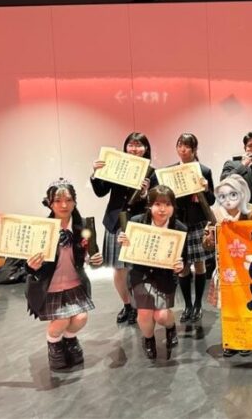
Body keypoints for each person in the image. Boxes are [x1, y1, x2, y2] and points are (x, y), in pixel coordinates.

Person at [25, 179, 103, 370]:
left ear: (74, 202)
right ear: (50, 203)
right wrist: (31, 266)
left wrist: (95, 260)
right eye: (58, 201)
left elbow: (90, 255)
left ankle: (69, 339)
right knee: (61, 320)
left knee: (80, 318)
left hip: (75, 284)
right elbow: (28, 265)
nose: (64, 205)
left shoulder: (83, 226)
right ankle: (54, 344)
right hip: (50, 286)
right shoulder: (42, 228)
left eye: (68, 200)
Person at [118, 185, 187, 360]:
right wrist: (123, 241)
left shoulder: (179, 228)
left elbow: (184, 259)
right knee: (144, 313)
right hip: (140, 275)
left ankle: (170, 327)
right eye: (157, 204)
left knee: (161, 315)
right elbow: (128, 249)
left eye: (167, 204)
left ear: (173, 207)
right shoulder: (136, 222)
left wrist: (180, 266)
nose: (162, 209)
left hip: (164, 277)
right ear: (149, 205)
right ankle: (148, 339)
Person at [91, 132, 152, 325]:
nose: (135, 149)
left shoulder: (151, 172)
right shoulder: (117, 165)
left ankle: (139, 305)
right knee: (119, 270)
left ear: (146, 148)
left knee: (137, 270)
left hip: (138, 225)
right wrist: (95, 173)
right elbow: (101, 191)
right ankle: (127, 305)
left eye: (139, 145)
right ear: (125, 147)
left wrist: (145, 194)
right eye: (131, 145)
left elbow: (157, 201)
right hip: (116, 222)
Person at [203, 174, 252, 358]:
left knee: (246, 303)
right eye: (222, 196)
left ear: (241, 194)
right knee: (228, 306)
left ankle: (246, 338)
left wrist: (235, 229)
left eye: (232, 194)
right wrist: (210, 237)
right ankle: (231, 339)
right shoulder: (215, 214)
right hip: (225, 268)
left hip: (246, 267)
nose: (227, 200)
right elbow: (207, 245)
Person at [162, 133, 215, 324]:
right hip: (178, 224)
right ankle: (188, 306)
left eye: (187, 146)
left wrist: (206, 189)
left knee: (199, 265)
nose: (183, 149)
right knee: (182, 267)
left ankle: (198, 304)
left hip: (197, 223)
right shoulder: (169, 172)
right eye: (180, 145)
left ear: (194, 149)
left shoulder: (204, 170)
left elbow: (211, 200)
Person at [220, 131, 252, 219]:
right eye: (250, 146)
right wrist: (243, 164)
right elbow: (224, 181)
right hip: (238, 216)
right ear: (245, 148)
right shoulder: (232, 164)